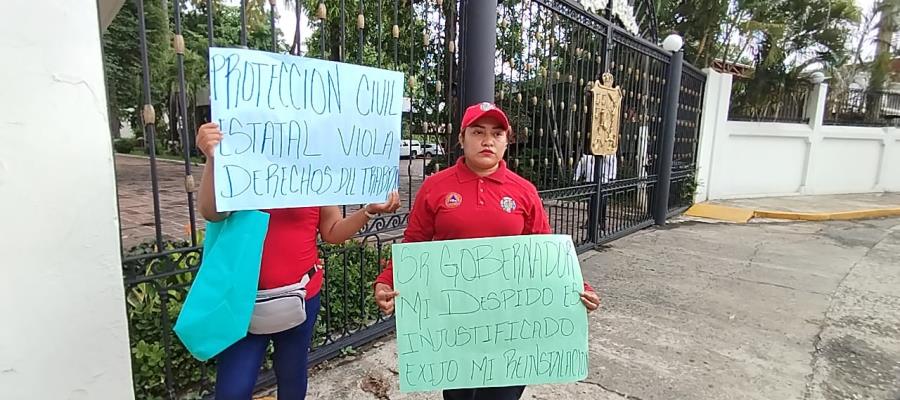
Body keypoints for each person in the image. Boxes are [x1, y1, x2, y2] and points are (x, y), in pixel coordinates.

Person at [372, 103, 601, 400]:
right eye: (478, 132)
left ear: (507, 140)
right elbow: (415, 242)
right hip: (452, 321)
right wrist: (387, 279)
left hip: (511, 322)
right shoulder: (435, 187)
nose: (487, 140)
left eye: (497, 133)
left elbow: (545, 251)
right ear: (462, 138)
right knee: (458, 396)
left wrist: (580, 288)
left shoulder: (524, 191)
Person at [195, 122, 401, 399]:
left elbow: (332, 231)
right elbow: (212, 212)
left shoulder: (313, 172)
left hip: (301, 297)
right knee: (233, 390)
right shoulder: (242, 162)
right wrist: (213, 158)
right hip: (243, 301)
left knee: (292, 379)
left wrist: (369, 211)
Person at [574, 153, 617, 233]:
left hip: (603, 180)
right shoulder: (587, 156)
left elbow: (613, 164)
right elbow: (581, 165)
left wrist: (612, 177)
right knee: (590, 203)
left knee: (602, 203)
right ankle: (590, 222)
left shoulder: (608, 154)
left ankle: (602, 222)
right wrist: (576, 177)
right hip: (589, 180)